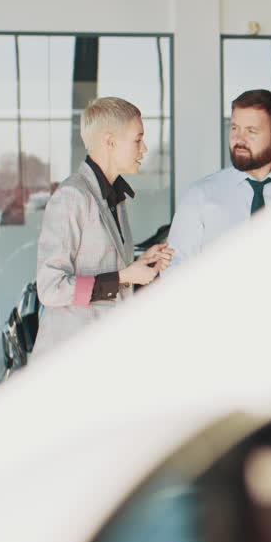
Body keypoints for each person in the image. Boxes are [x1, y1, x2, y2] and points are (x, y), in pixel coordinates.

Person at [31, 97, 172, 356]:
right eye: (138, 140)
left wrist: (143, 269)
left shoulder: (113, 198)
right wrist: (124, 276)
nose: (145, 149)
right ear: (110, 142)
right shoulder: (72, 196)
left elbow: (111, 283)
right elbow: (51, 289)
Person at [166, 89, 271, 271]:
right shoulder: (200, 196)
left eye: (251, 131)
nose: (238, 139)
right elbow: (174, 268)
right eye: (234, 128)